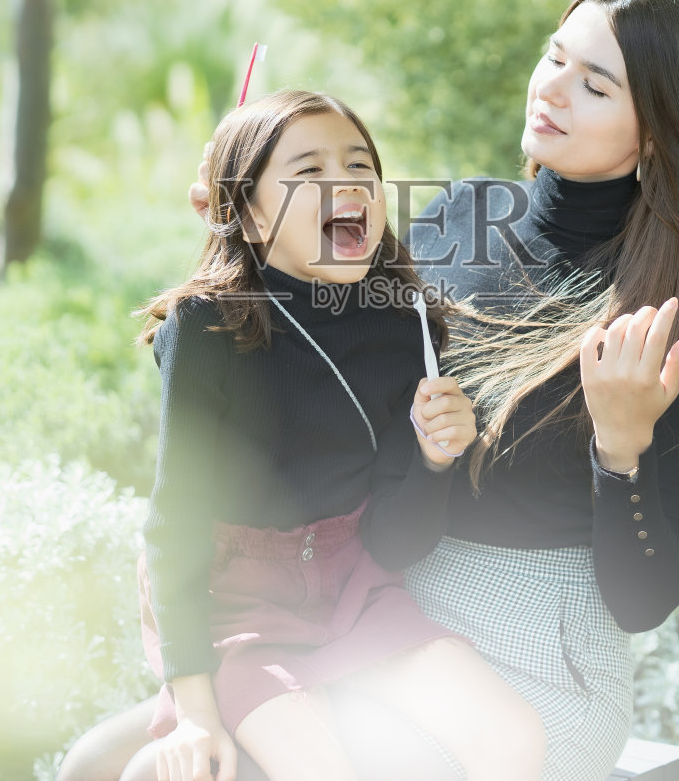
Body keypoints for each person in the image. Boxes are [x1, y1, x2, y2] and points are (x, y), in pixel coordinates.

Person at [69, 0, 679, 781]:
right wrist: (237, 202)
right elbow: (298, 332)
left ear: (660, 131)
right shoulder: (459, 217)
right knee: (94, 763)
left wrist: (620, 447)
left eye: (595, 85)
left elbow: (644, 598)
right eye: (555, 57)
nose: (552, 90)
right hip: (369, 594)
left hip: (531, 652)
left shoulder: (675, 307)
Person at [68, 89, 545, 781]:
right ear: (253, 216)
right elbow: (175, 526)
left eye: (359, 165)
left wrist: (434, 459)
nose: (344, 184)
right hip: (241, 610)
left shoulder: (405, 325)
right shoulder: (207, 330)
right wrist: (197, 708)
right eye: (309, 171)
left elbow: (395, 543)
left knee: (513, 733)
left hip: (358, 592)